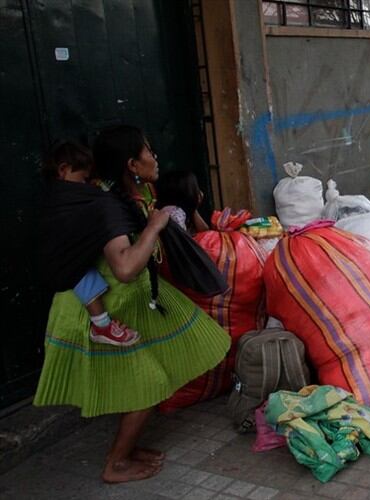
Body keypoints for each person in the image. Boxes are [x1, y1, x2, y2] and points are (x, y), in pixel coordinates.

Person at [34, 125, 231, 484]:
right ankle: (116, 463)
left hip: (132, 302)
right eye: (148, 152)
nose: (155, 157)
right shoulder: (107, 206)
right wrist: (156, 226)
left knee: (159, 373)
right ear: (131, 164)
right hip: (99, 307)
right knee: (148, 384)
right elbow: (124, 267)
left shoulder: (134, 191)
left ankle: (126, 449)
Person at [39, 142, 140, 347]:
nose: (87, 187)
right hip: (63, 265)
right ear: (64, 170)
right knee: (82, 275)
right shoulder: (61, 200)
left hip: (68, 267)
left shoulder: (65, 198)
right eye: (84, 179)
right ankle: (101, 324)